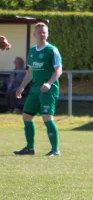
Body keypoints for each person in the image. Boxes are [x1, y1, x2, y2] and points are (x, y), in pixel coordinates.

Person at [13, 23, 62, 156]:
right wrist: (21, 87)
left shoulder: (52, 50)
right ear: (34, 34)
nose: (42, 34)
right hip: (35, 89)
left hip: (48, 90)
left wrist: (49, 83)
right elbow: (30, 71)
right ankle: (30, 148)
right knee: (27, 116)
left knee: (47, 117)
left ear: (48, 34)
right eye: (39, 32)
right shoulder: (33, 51)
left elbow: (59, 70)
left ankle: (55, 150)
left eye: (44, 32)